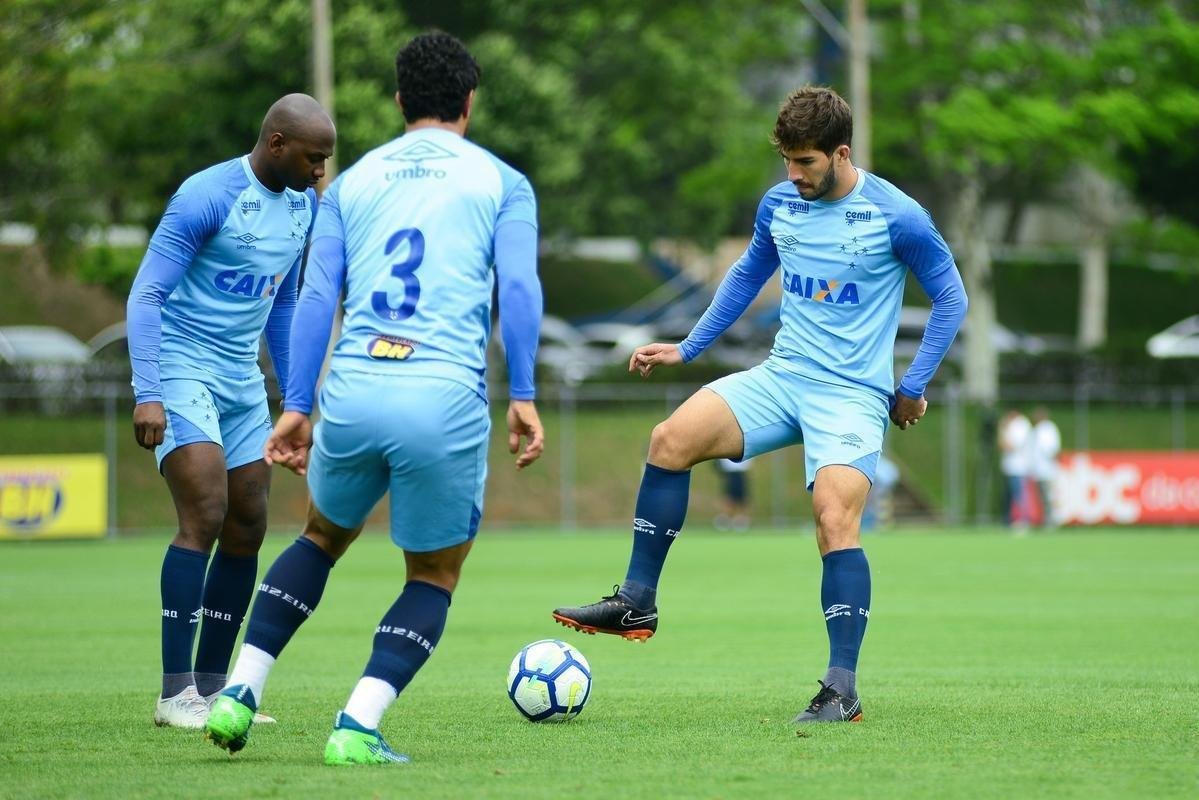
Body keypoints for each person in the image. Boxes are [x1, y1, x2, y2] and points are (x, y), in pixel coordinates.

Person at [552, 86, 967, 725]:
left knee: (834, 520)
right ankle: (637, 601)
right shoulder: (780, 202)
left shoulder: (898, 216)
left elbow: (951, 299)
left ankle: (840, 688)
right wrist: (689, 348)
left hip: (852, 395)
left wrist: (910, 386)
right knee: (670, 440)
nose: (792, 175)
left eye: (805, 163)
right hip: (784, 376)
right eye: (787, 161)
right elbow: (747, 274)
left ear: (841, 153)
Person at [204, 31, 545, 765]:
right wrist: (524, 392)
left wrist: (297, 403)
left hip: (354, 388)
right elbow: (517, 289)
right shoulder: (501, 181)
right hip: (442, 392)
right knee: (432, 574)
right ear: (469, 102)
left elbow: (316, 292)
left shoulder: (351, 182)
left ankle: (237, 693)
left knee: (320, 539)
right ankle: (356, 724)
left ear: (398, 101)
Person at [126, 94, 335, 729]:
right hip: (182, 366)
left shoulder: (304, 204)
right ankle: (173, 694)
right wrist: (147, 390)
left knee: (247, 521)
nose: (320, 171)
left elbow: (282, 305)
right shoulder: (205, 196)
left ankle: (214, 688)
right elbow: (147, 293)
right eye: (313, 158)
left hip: (242, 379)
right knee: (207, 511)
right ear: (276, 144)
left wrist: (296, 400)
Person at [998, 408, 1031, 529]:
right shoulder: (1010, 424)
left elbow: (1009, 446)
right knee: (1008, 496)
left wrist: (1002, 431)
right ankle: (1007, 521)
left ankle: (1024, 520)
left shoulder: (1022, 424)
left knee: (1019, 494)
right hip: (1009, 467)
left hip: (1018, 467)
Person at [1028, 407, 1061, 527]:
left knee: (1049, 496)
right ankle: (1047, 520)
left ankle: (1052, 520)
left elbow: (1052, 449)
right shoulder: (1037, 430)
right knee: (1043, 497)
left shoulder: (1048, 428)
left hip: (1047, 469)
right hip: (1039, 470)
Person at [713, 457, 754, 531]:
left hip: (741, 474)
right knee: (729, 498)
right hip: (730, 474)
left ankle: (741, 521)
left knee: (742, 498)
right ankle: (725, 520)